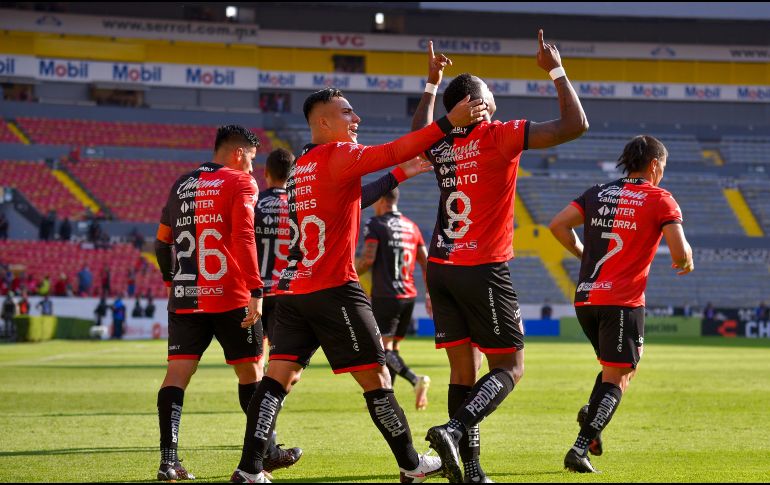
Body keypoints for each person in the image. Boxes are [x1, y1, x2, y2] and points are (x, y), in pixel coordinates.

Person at [232, 87, 486, 483]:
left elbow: (353, 198)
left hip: (295, 288)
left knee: (275, 379)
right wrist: (448, 122)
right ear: (323, 122)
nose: (357, 119)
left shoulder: (303, 164)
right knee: (377, 380)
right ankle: (411, 464)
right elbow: (394, 150)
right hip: (335, 289)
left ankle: (249, 469)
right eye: (348, 112)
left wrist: (401, 174)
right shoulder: (341, 154)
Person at [412, 32, 589, 483]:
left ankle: (469, 471)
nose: (496, 104)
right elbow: (574, 125)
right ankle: (454, 430)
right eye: (490, 98)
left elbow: (418, 135)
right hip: (483, 267)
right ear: (476, 105)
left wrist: (432, 86)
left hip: (442, 267)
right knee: (510, 367)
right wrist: (556, 69)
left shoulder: (442, 143)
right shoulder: (498, 135)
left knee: (462, 370)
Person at [154, 125, 301, 482]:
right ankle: (263, 457)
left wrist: (172, 280)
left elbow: (162, 242)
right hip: (230, 296)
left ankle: (168, 462)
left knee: (176, 376)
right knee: (252, 375)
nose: (252, 169)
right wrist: (256, 290)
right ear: (238, 154)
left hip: (187, 296)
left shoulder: (181, 184)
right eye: (250, 159)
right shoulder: (240, 183)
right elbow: (242, 236)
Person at [549, 135, 694, 473]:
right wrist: (686, 261)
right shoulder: (661, 199)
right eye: (663, 169)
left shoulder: (597, 193)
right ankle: (581, 447)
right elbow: (679, 252)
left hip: (586, 298)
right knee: (618, 378)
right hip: (622, 300)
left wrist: (585, 255)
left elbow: (558, 225)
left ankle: (592, 413)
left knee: (618, 368)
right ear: (655, 166)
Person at [255, 148, 430, 349]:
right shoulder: (306, 200)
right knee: (379, 354)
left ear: (266, 174)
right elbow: (359, 199)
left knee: (262, 364)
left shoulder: (256, 203)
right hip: (295, 288)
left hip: (261, 289)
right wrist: (398, 173)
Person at [356, 187, 432, 411]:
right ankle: (389, 398)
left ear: (381, 199)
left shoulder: (376, 224)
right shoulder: (412, 226)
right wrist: (429, 293)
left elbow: (368, 258)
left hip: (386, 295)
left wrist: (348, 274)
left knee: (381, 349)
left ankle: (415, 379)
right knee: (392, 349)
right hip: (408, 296)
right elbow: (425, 263)